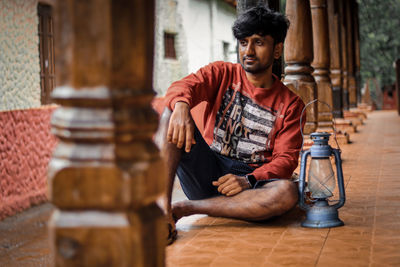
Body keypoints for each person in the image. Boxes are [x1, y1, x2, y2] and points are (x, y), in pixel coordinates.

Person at [154, 5, 305, 244]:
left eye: (259, 42)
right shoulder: (221, 73)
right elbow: (183, 86)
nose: (249, 51)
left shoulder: (291, 104)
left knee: (287, 193)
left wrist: (249, 180)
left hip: (249, 185)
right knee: (171, 110)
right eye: (243, 42)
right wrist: (182, 105)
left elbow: (285, 160)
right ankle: (163, 209)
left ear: (277, 50)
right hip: (207, 169)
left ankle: (185, 208)